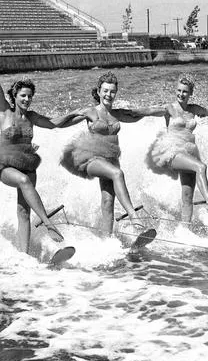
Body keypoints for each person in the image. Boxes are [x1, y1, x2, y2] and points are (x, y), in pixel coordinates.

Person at [0, 43, 77, 251]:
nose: (27, 99)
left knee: (23, 212)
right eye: (23, 96)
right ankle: (48, 223)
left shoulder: (32, 117)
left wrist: (79, 115)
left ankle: (23, 255)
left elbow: (54, 123)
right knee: (23, 181)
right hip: (3, 165)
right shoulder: (5, 112)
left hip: (27, 163)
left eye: (30, 96)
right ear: (15, 96)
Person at [59, 72, 155, 237]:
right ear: (98, 91)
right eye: (105, 91)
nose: (108, 95)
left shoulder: (117, 114)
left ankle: (106, 241)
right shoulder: (90, 111)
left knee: (108, 201)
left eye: (112, 91)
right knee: (117, 174)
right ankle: (133, 216)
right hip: (91, 158)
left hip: (111, 159)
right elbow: (60, 124)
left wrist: (163, 111)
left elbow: (138, 115)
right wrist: (72, 113)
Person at [144, 76, 208, 223]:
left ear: (190, 93)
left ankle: (185, 229)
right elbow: (147, 111)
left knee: (187, 197)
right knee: (201, 167)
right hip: (171, 152)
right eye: (179, 90)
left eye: (185, 92)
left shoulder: (193, 109)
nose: (181, 94)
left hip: (188, 153)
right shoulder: (169, 109)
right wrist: (125, 112)